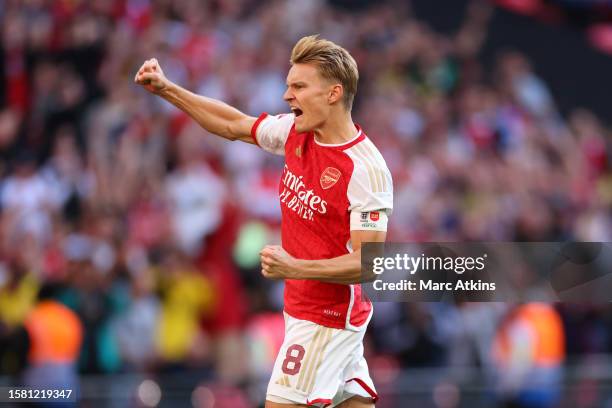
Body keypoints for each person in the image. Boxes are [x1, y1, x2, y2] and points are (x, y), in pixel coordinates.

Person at [135, 35, 393, 408]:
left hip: (325, 319)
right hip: (308, 313)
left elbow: (368, 263)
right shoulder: (294, 132)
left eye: (299, 87)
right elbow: (232, 124)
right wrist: (168, 89)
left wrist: (295, 266)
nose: (287, 96)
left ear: (333, 94)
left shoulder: (365, 169)